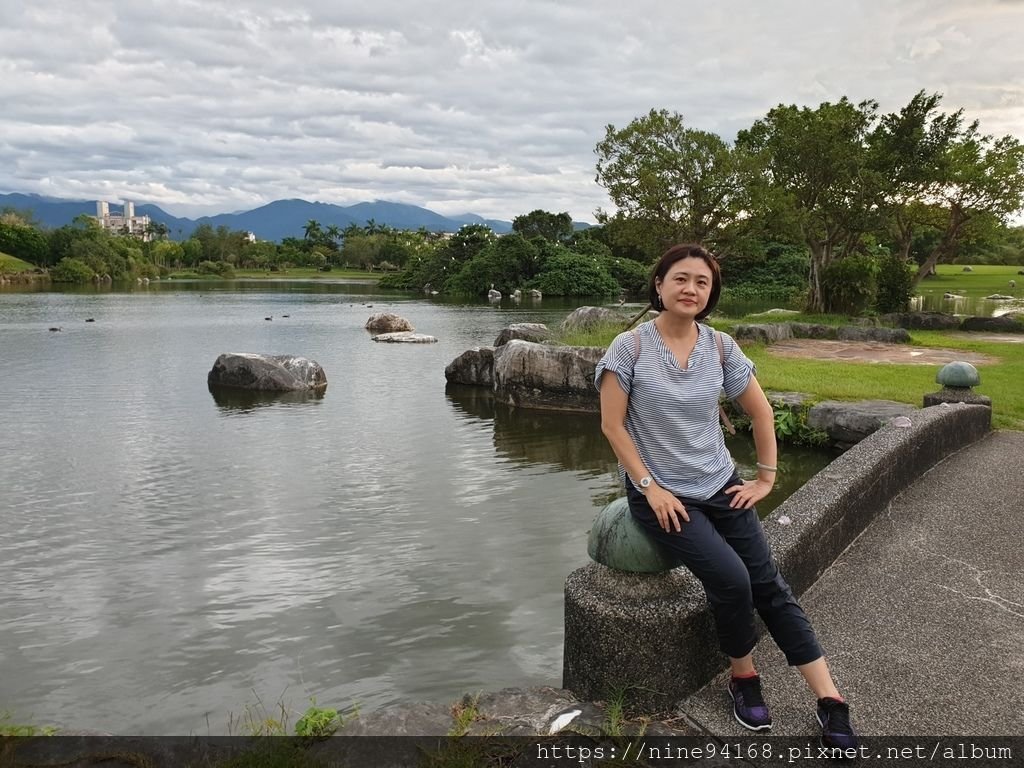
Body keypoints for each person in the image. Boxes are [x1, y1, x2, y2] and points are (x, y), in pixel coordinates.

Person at [594, 243, 857, 748]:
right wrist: (650, 488)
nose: (691, 289)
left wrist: (765, 477)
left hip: (721, 484)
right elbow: (612, 425)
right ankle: (743, 676)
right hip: (663, 497)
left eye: (702, 282)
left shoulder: (720, 347)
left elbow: (760, 412)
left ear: (710, 293)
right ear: (660, 284)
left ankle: (831, 700)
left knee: (771, 588)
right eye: (681, 279)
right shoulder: (629, 347)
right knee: (733, 581)